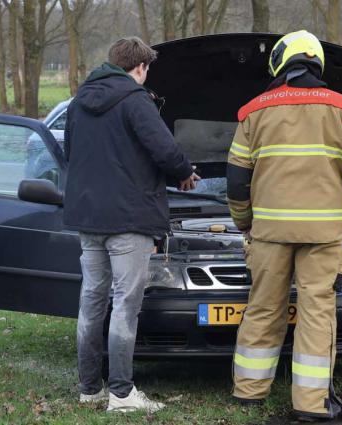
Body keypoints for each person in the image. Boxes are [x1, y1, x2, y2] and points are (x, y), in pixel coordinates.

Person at [226, 30, 342, 421]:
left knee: (262, 307)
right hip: (323, 235)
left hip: (269, 234)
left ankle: (248, 392)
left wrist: (245, 222)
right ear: (317, 63)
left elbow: (236, 180)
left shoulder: (253, 111)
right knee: (316, 311)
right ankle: (311, 403)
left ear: (280, 63)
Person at [63, 36, 200, 413]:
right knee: (125, 304)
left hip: (88, 219)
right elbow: (164, 149)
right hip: (128, 220)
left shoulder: (79, 103)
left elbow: (70, 152)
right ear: (140, 68)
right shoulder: (135, 100)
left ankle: (90, 388)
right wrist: (185, 172)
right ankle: (122, 394)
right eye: (147, 70)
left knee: (91, 302)